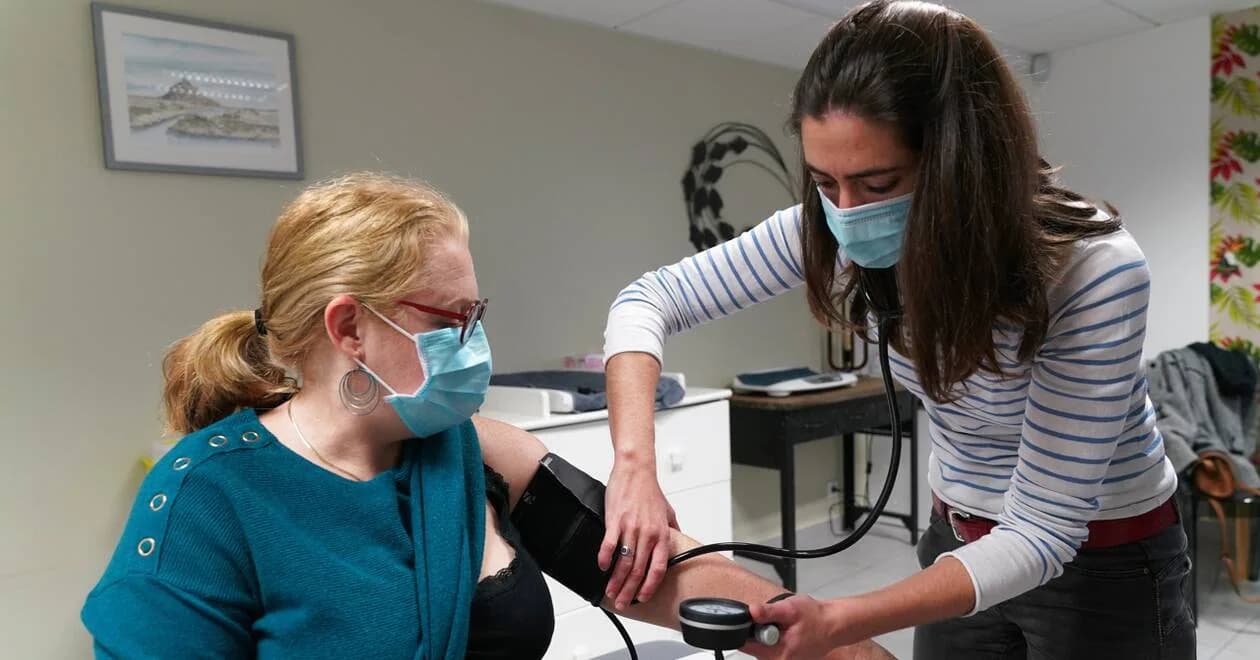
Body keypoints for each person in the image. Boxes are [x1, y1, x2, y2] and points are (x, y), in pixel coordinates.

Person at [80, 171, 892, 659]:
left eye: (478, 315)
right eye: (451, 321)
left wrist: (831, 639)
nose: (475, 344)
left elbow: (657, 572)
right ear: (349, 328)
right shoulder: (201, 503)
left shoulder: (473, 451)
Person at [602, 0, 1194, 659]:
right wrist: (634, 467)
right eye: (825, 182)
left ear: (964, 164)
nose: (847, 214)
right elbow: (647, 300)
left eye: (878, 184)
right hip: (959, 540)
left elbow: (1042, 531)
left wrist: (840, 619)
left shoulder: (1092, 269)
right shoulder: (828, 228)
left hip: (1106, 556)